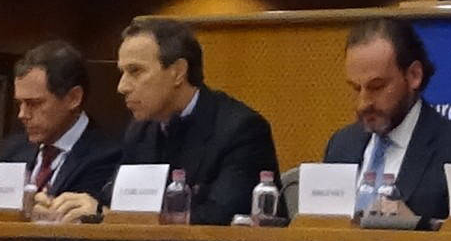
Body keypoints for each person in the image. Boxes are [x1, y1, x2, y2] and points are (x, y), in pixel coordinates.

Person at [45, 18, 279, 225]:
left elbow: (220, 218)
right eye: (122, 72)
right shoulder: (141, 130)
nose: (122, 87)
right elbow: (113, 201)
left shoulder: (241, 130)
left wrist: (105, 214)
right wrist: (69, 208)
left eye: (135, 71)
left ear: (178, 72)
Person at [321, 18, 451, 221]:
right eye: (356, 89)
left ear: (414, 75)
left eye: (377, 87)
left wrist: (416, 227)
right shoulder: (341, 146)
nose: (362, 104)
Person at [0, 41, 122, 211]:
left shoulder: (109, 156)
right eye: (19, 103)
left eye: (34, 103)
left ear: (73, 98)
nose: (22, 114)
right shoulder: (10, 151)